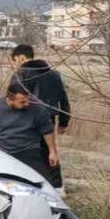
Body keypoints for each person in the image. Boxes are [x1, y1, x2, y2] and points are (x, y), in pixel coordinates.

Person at [10, 44, 70, 190]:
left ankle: (29, 185)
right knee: (50, 151)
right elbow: (63, 99)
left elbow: (14, 99)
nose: (14, 64)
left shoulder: (21, 74)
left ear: (21, 58)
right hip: (49, 120)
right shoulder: (54, 74)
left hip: (27, 119)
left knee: (27, 153)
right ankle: (57, 187)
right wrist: (63, 121)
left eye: (14, 60)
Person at [0, 81, 59, 185]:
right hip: (2, 150)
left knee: (42, 183)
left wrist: (53, 152)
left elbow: (47, 131)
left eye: (28, 99)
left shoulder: (37, 108)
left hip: (29, 150)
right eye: (22, 102)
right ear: (9, 100)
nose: (27, 103)